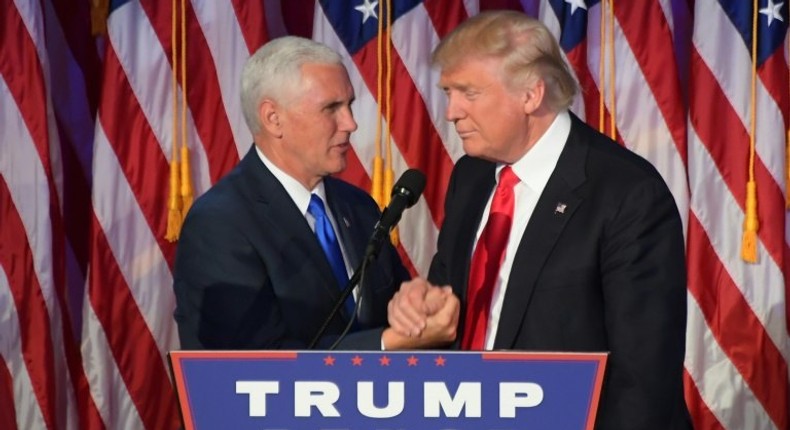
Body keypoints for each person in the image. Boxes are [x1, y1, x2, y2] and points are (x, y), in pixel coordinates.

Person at [387, 11, 692, 430]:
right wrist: (425, 304)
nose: (452, 112)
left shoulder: (626, 192)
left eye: (468, 93)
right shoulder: (472, 176)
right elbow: (453, 298)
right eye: (448, 92)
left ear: (531, 95)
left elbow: (642, 378)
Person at [173, 36, 458, 351]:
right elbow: (251, 362)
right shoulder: (220, 223)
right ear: (273, 118)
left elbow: (395, 313)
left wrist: (418, 306)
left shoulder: (358, 206)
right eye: (331, 108)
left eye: (349, 104)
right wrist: (387, 342)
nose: (351, 123)